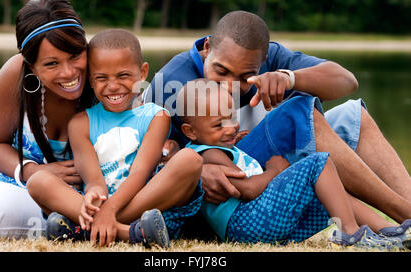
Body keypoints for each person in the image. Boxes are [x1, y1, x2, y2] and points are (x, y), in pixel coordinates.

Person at [145, 10, 411, 235]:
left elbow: (347, 81)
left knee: (353, 116)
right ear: (207, 49)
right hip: (228, 197)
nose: (229, 87)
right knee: (298, 112)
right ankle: (402, 213)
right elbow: (145, 155)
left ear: (262, 63)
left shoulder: (267, 56)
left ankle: (404, 214)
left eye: (245, 77)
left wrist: (289, 78)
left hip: (260, 165)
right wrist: (196, 169)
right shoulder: (172, 82)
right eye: (221, 71)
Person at [175, 79, 410, 249]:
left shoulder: (217, 148)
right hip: (248, 223)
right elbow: (244, 189)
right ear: (190, 132)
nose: (230, 127)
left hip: (257, 223)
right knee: (319, 163)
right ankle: (350, 232)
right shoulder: (207, 154)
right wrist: (274, 172)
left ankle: (386, 231)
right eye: (219, 125)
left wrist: (234, 144)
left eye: (232, 118)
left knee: (327, 189)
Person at [27, 29, 203, 247]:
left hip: (142, 205)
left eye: (123, 75)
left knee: (190, 160)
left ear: (142, 73)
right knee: (38, 181)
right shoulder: (80, 123)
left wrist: (110, 210)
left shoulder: (156, 116)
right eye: (101, 78)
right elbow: (93, 180)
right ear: (90, 79)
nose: (112, 86)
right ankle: (130, 234)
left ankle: (86, 229)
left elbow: (141, 173)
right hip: (98, 204)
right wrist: (98, 199)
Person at [0, 0, 99, 239]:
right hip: (15, 174)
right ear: (31, 65)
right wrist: (33, 171)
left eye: (75, 55)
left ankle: (68, 226)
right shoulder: (16, 74)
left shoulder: (103, 74)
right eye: (51, 63)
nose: (68, 72)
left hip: (62, 197)